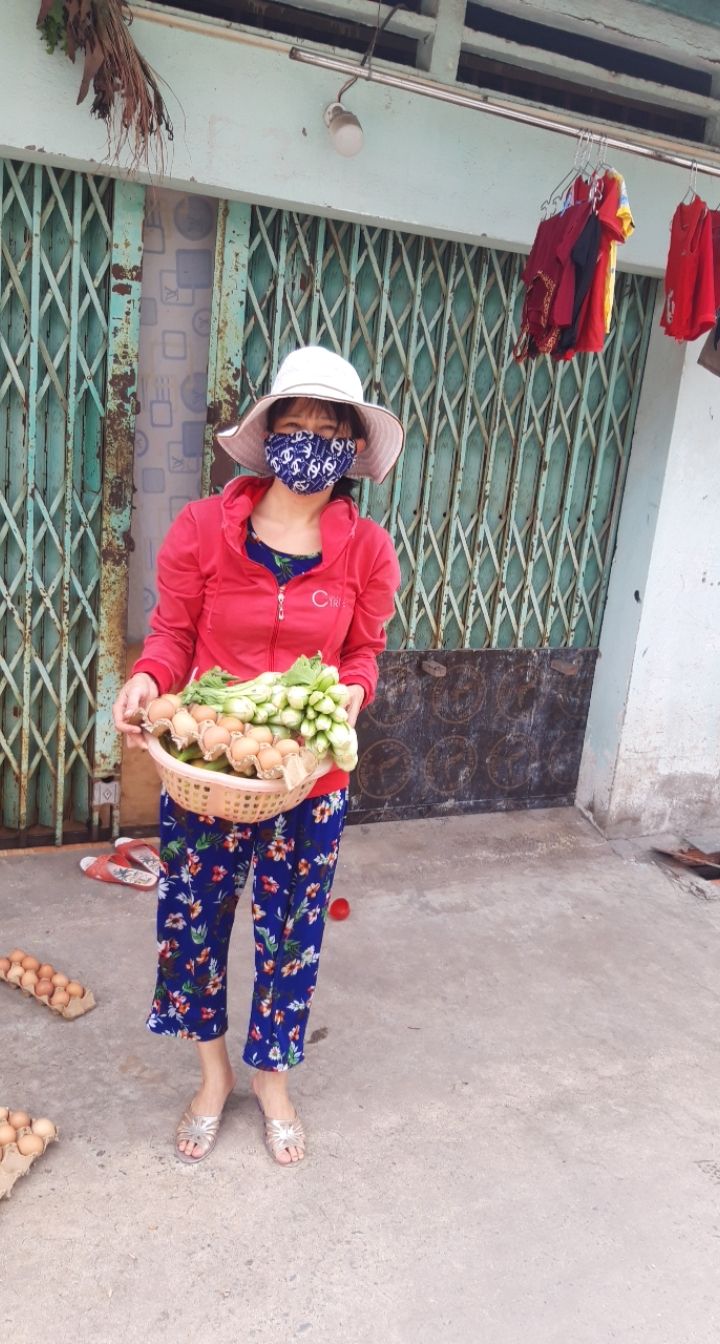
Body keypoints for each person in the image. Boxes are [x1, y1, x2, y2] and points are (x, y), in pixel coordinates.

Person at [112, 346, 404, 1167]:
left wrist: (351, 693)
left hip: (308, 780)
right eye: (295, 425)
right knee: (193, 925)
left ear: (351, 450)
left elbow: (364, 652)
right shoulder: (203, 529)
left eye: (328, 431)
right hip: (210, 771)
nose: (309, 443)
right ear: (268, 436)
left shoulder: (368, 550)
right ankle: (212, 1077)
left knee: (291, 934)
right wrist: (146, 679)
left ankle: (272, 1080)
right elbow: (171, 635)